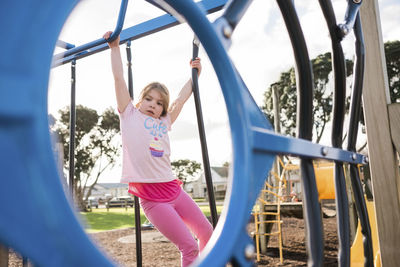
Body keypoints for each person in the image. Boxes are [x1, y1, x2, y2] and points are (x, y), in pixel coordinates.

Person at [103, 31, 213, 267]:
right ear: (140, 100)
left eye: (159, 102)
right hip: (153, 199)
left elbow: (181, 99)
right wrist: (114, 48)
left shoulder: (165, 121)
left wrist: (195, 75)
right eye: (149, 99)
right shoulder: (129, 114)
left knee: (207, 233)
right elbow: (119, 80)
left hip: (173, 190)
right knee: (189, 246)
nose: (154, 105)